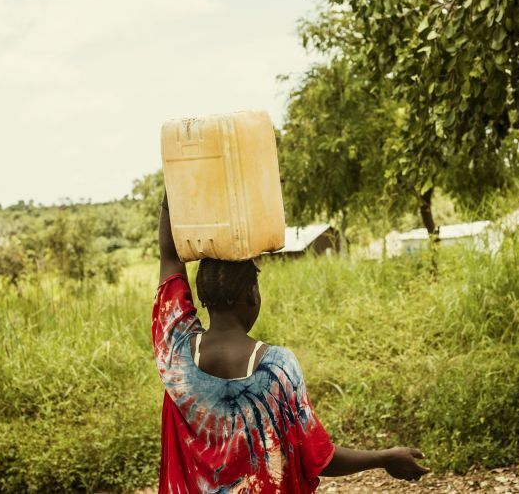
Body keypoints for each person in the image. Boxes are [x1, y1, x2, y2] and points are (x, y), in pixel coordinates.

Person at [153, 193, 429, 492]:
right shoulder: (276, 368)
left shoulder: (175, 350)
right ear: (251, 295)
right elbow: (319, 457)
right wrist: (385, 457)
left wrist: (176, 188)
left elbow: (169, 258)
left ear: (203, 296)